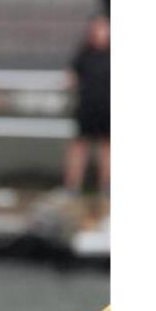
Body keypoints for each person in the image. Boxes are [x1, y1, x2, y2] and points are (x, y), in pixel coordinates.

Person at [63, 14, 110, 197]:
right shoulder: (84, 54)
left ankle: (106, 188)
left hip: (108, 108)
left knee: (106, 148)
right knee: (79, 147)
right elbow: (71, 74)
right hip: (86, 107)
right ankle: (72, 187)